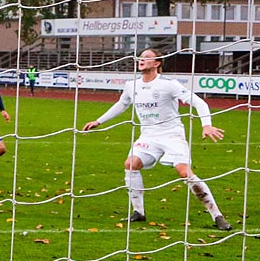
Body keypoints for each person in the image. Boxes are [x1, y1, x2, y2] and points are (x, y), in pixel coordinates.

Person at [82, 48, 229, 230]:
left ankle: (217, 215)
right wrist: (99, 121)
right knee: (131, 164)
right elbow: (122, 104)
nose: (141, 60)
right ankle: (139, 212)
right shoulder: (132, 85)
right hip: (148, 136)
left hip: (172, 134)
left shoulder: (169, 84)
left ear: (157, 63)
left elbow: (199, 102)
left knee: (184, 172)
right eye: (140, 57)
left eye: (146, 58)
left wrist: (206, 124)